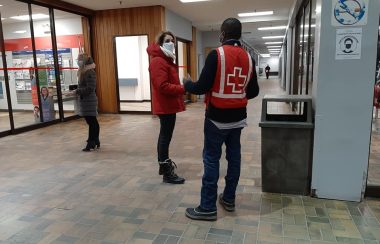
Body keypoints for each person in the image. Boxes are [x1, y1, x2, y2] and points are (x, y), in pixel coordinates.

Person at [183, 18, 259, 221]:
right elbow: (254, 92)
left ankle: (207, 207)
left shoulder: (216, 55)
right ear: (240, 35)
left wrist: (187, 84)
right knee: (234, 158)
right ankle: (229, 199)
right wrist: (237, 94)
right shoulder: (249, 58)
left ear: (222, 35)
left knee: (211, 159)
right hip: (238, 120)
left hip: (216, 119)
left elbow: (201, 87)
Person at [146, 31, 186, 184]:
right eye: (168, 40)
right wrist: (183, 88)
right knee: (165, 137)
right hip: (165, 105)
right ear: (161, 43)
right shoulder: (158, 61)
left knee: (165, 136)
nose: (171, 43)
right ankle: (166, 172)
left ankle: (165, 168)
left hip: (169, 105)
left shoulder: (166, 59)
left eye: (173, 40)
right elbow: (162, 86)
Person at [70, 53, 100, 151]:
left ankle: (91, 142)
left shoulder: (89, 72)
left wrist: (77, 91)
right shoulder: (84, 71)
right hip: (86, 101)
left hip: (89, 100)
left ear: (84, 60)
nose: (78, 61)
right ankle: (95, 140)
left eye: (79, 59)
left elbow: (90, 88)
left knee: (92, 122)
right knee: (92, 121)